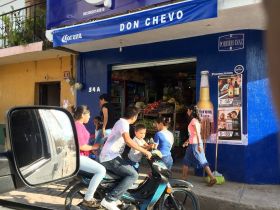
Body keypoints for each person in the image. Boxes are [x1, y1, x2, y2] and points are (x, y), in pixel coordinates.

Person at [99, 106, 152, 210]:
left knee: (126, 174)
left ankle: (116, 196)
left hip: (111, 156)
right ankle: (110, 199)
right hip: (110, 157)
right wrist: (144, 151)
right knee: (133, 175)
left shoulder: (121, 122)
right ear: (134, 116)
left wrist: (145, 148)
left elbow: (128, 142)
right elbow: (128, 141)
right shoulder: (124, 124)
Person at [72, 105, 106, 208]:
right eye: (89, 114)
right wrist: (94, 147)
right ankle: (88, 198)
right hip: (78, 157)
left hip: (82, 156)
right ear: (83, 115)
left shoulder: (80, 125)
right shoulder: (78, 126)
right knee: (101, 170)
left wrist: (93, 149)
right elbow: (82, 146)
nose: (90, 117)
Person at [182, 105, 216, 186]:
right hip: (192, 144)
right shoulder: (194, 120)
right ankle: (183, 179)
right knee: (186, 161)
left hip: (195, 144)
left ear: (191, 111)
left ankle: (212, 177)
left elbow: (197, 133)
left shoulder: (194, 121)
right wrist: (187, 141)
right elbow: (192, 134)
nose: (187, 112)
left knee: (202, 161)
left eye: (188, 110)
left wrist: (199, 146)